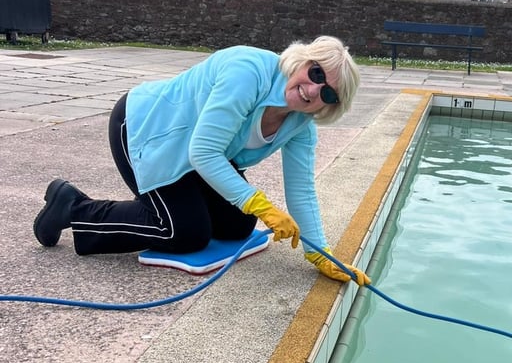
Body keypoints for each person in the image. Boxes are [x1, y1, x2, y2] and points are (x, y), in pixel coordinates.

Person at [32, 36, 370, 286]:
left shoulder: (301, 126)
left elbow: (302, 191)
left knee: (239, 225)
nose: (313, 90)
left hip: (198, 156)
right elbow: (205, 152)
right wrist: (259, 202)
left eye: (327, 93)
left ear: (329, 107)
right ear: (303, 60)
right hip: (146, 130)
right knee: (184, 231)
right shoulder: (249, 72)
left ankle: (164, 203)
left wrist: (319, 254)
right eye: (316, 73)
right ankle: (74, 208)